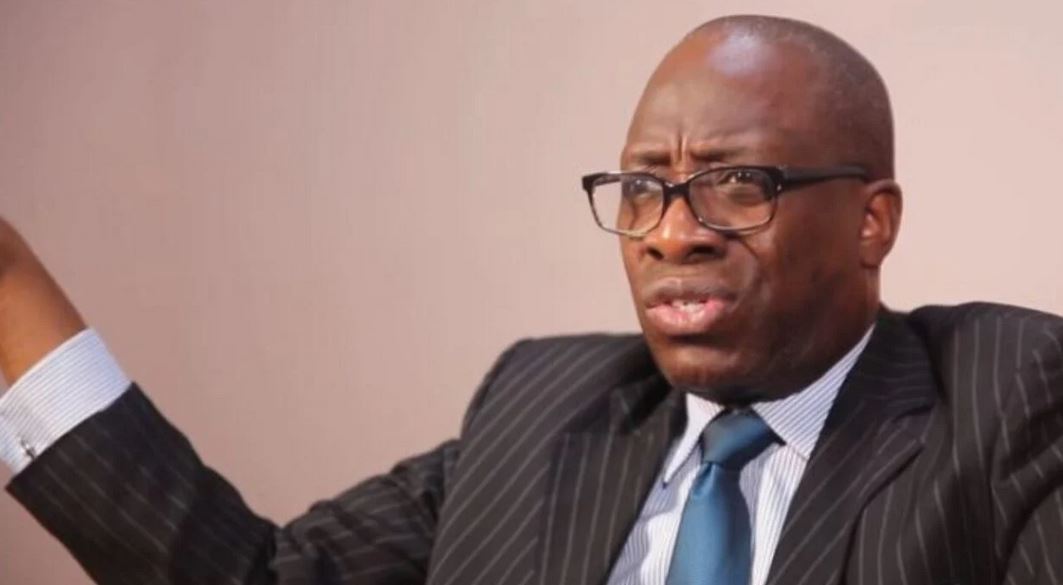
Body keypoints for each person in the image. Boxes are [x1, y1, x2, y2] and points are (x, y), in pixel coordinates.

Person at [1, 13, 1062, 585]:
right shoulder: (544, 405)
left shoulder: (1008, 400)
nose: (671, 232)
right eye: (641, 188)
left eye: (738, 183)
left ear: (871, 221)